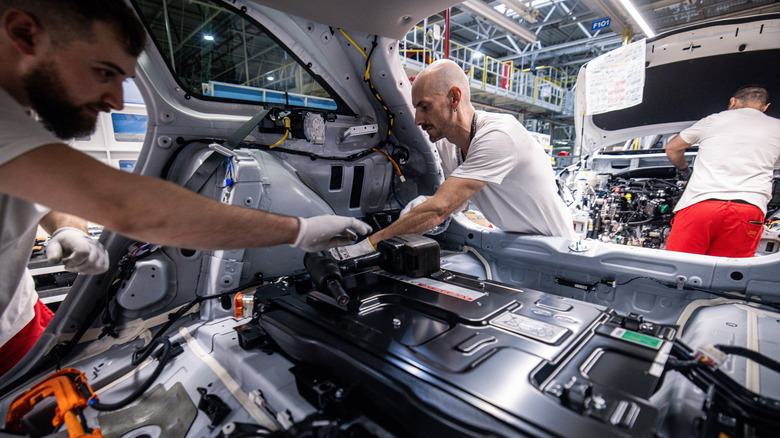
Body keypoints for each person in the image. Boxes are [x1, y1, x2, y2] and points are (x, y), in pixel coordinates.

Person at [0, 0, 370, 376]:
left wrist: (67, 228)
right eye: (103, 72)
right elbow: (137, 209)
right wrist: (299, 230)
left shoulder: (24, 118)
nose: (114, 100)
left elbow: (49, 187)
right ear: (24, 34)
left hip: (21, 319)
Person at [332, 59, 576, 260]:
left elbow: (440, 210)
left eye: (424, 107)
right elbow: (454, 203)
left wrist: (368, 245)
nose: (417, 119)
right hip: (515, 244)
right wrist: (425, 203)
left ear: (454, 98)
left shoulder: (499, 135)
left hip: (558, 249)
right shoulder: (449, 144)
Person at [665, 85, 780, 257]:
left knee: (679, 265)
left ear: (733, 102)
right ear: (765, 107)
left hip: (701, 204)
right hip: (749, 208)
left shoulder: (714, 120)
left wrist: (684, 169)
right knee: (728, 274)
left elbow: (672, 148)